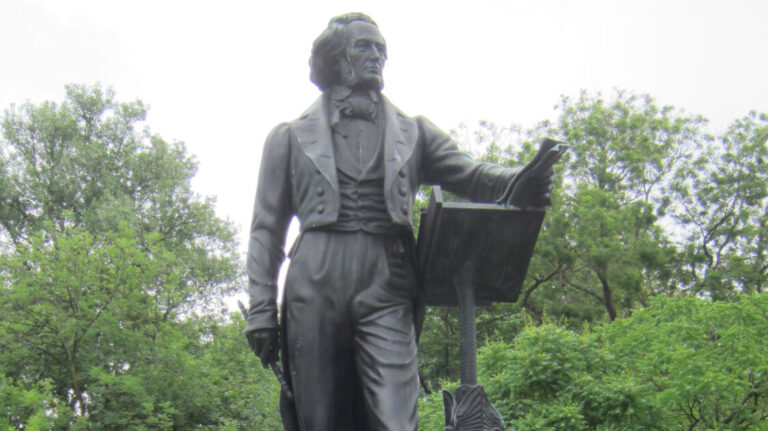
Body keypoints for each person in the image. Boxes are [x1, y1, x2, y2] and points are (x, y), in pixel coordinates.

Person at [244, 12, 553, 431]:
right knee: (321, 420)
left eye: (381, 49)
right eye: (364, 47)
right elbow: (266, 228)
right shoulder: (287, 137)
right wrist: (261, 310)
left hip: (387, 280)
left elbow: (472, 173)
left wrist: (521, 180)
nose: (377, 56)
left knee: (396, 418)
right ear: (336, 57)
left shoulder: (414, 132)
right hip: (315, 279)